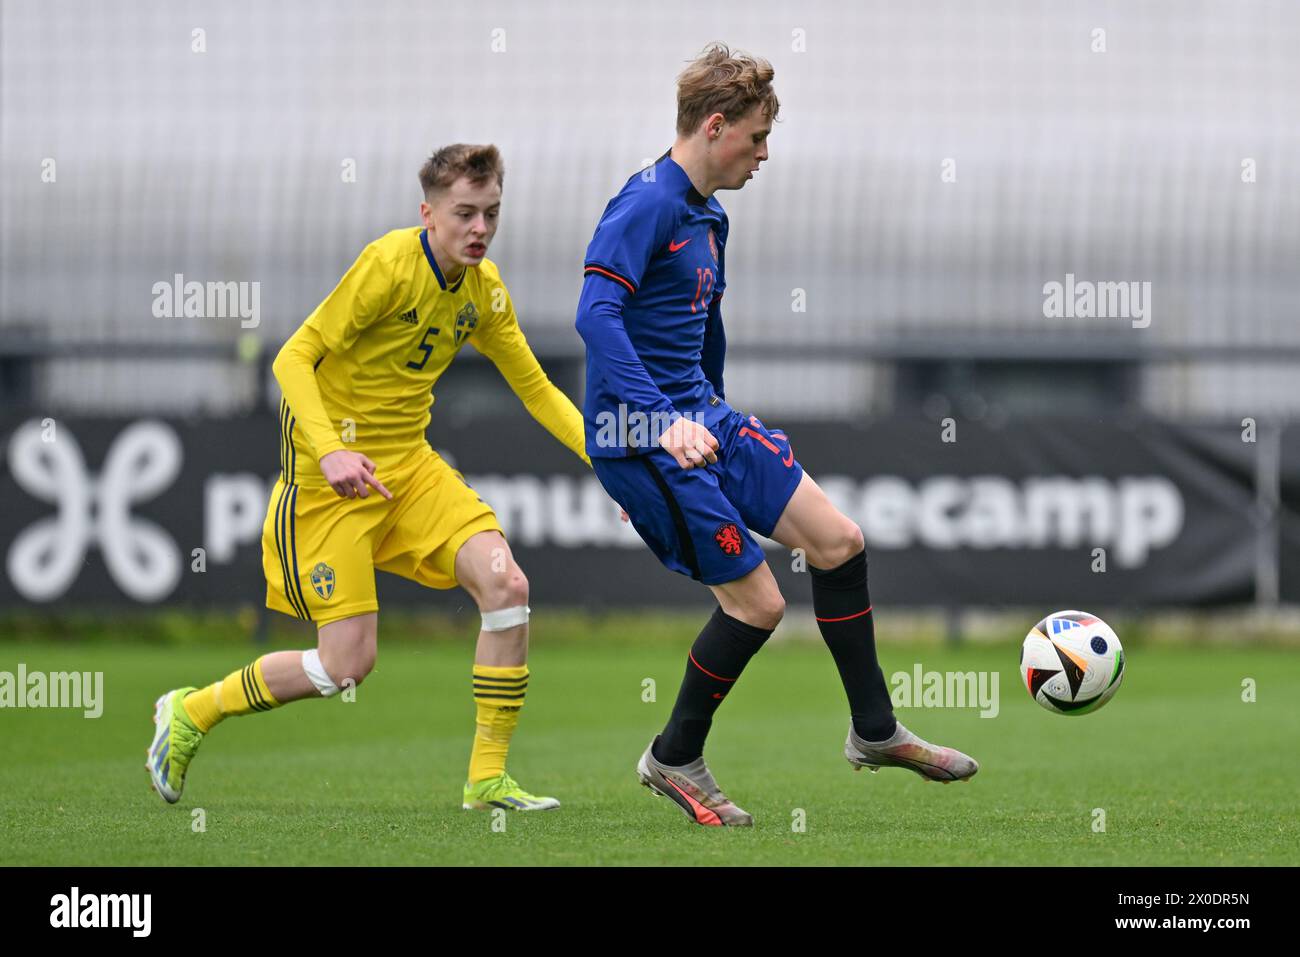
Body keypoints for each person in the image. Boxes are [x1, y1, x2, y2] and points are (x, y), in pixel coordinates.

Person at [576, 44, 979, 827]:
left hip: (704, 420)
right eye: (757, 138)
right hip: (641, 433)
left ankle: (875, 730)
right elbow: (595, 317)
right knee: (758, 605)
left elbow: (703, 324)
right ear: (717, 126)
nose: (765, 155)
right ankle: (673, 755)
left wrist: (713, 416)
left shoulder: (709, 215)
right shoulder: (646, 203)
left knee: (839, 542)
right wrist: (660, 429)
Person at [147, 144, 589, 813]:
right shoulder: (387, 266)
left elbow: (538, 391)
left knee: (507, 584)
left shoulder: (483, 292)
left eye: (491, 213)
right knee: (344, 666)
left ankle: (487, 779)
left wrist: (613, 465)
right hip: (328, 490)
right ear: (428, 214)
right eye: (464, 213)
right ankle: (192, 709)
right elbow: (294, 358)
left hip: (409, 469)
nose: (479, 228)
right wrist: (329, 452)